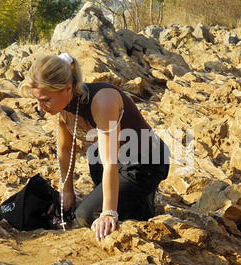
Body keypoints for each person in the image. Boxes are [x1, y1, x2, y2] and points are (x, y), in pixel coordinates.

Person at [19, 53, 170, 241]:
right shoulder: (62, 108)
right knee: (95, 157)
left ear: (67, 89)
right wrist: (67, 191)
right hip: (110, 159)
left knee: (86, 216)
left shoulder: (103, 101)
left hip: (146, 161)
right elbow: (66, 150)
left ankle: (144, 199)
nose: (40, 107)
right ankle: (133, 199)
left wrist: (108, 213)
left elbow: (110, 162)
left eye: (45, 100)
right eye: (37, 100)